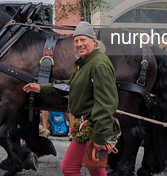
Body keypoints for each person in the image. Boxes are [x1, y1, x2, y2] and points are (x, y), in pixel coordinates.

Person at [23, 21, 120, 176]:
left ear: (94, 42)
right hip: (86, 125)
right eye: (76, 41)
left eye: (83, 40)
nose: (79, 44)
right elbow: (71, 86)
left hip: (91, 127)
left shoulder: (98, 64)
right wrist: (41, 87)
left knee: (69, 168)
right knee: (94, 167)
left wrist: (100, 137)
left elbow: (107, 103)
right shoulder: (85, 63)